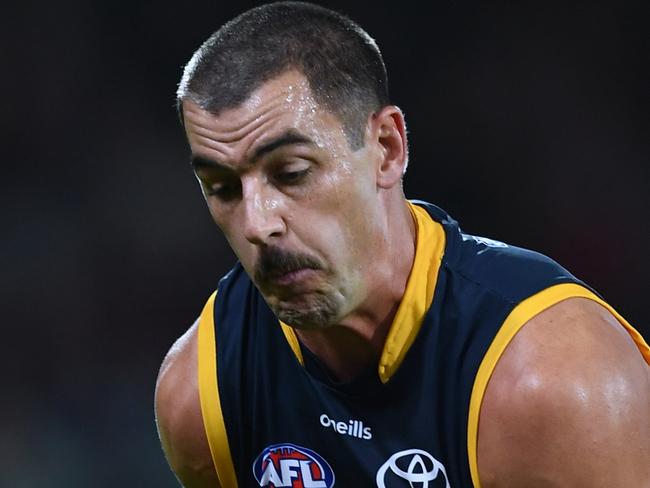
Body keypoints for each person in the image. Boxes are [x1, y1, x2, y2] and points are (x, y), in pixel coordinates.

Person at [154, 2, 650, 487]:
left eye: (291, 173)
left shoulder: (556, 384)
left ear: (387, 149)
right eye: (222, 188)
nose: (257, 224)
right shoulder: (203, 395)